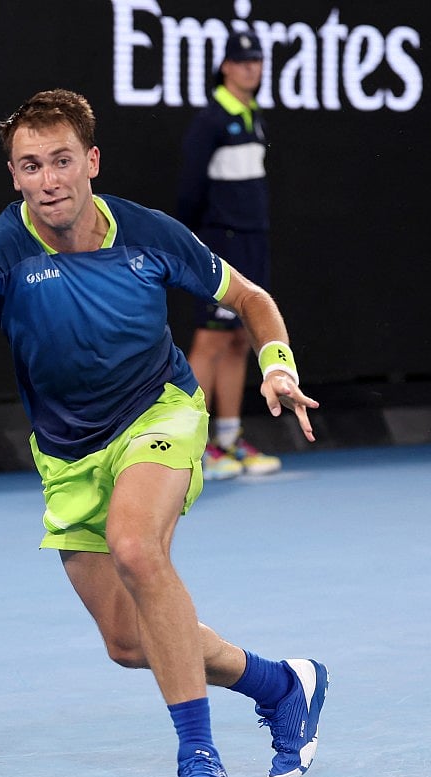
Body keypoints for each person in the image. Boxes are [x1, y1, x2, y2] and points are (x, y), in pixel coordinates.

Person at [0, 89, 327, 777]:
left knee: (137, 547)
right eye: (30, 166)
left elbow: (252, 300)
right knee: (126, 641)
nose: (48, 180)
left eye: (61, 161)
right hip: (67, 453)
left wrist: (277, 363)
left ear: (90, 161)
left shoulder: (148, 233)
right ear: (14, 176)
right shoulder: (2, 245)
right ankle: (281, 683)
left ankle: (199, 757)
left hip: (159, 412)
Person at [177, 31, 281, 480]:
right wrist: (194, 242)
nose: (251, 68)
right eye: (242, 62)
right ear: (225, 67)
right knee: (212, 339)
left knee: (240, 338)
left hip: (252, 240)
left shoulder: (252, 114)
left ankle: (227, 439)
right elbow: (190, 188)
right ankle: (189, 447)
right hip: (223, 241)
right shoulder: (211, 120)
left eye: (256, 61)